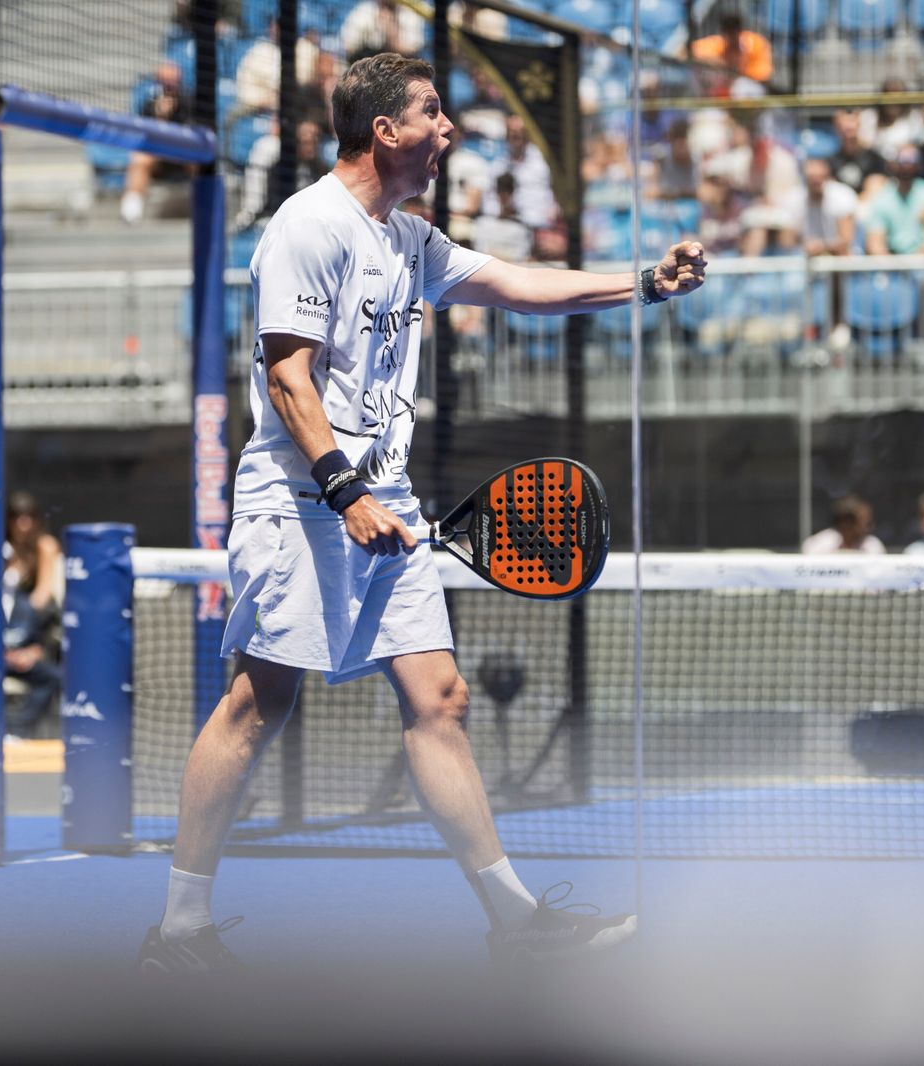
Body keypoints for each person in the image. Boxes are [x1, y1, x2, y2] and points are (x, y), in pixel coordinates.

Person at [136, 53, 706, 976]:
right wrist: (344, 490)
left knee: (439, 699)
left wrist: (644, 283)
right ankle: (179, 932)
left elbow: (519, 284)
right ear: (386, 131)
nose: (450, 129)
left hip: (384, 501)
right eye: (433, 114)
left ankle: (514, 921)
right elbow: (290, 380)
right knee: (256, 703)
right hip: (301, 499)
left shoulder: (410, 237)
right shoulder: (306, 228)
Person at [2, 492, 63, 739]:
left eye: (28, 517)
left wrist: (29, 649)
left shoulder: (44, 546)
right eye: (17, 517)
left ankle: (16, 731)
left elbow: (41, 599)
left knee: (53, 678)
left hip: (28, 636)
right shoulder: (1, 548)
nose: (23, 524)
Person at [120, 62, 194, 224]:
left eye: (172, 82)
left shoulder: (189, 102)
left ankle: (205, 205)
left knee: (201, 160)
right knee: (140, 159)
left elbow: (192, 136)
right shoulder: (150, 104)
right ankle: (131, 211)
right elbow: (145, 136)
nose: (168, 87)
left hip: (183, 155)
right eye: (165, 83)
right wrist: (161, 118)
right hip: (160, 156)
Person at [863, 144, 924, 255]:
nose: (907, 166)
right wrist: (890, 266)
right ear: (894, 164)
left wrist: (914, 264)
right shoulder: (881, 198)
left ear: (919, 165)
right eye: (902, 160)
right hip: (892, 265)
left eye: (912, 161)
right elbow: (875, 242)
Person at [689, 12, 773, 96]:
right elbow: (683, 52)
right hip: (723, 90)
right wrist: (713, 62)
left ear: (740, 32)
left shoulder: (756, 43)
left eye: (733, 33)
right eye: (727, 33)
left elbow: (763, 77)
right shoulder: (719, 43)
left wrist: (734, 71)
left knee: (742, 87)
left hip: (750, 87)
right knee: (700, 72)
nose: (730, 38)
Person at [826, 107, 887, 202]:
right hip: (842, 210)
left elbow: (878, 187)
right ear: (836, 126)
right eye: (844, 124)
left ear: (860, 124)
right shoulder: (831, 161)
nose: (849, 127)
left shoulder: (874, 158)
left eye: (852, 122)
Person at [802, 495, 885, 554]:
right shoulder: (820, 545)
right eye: (866, 523)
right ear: (845, 523)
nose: (870, 527)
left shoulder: (873, 546)